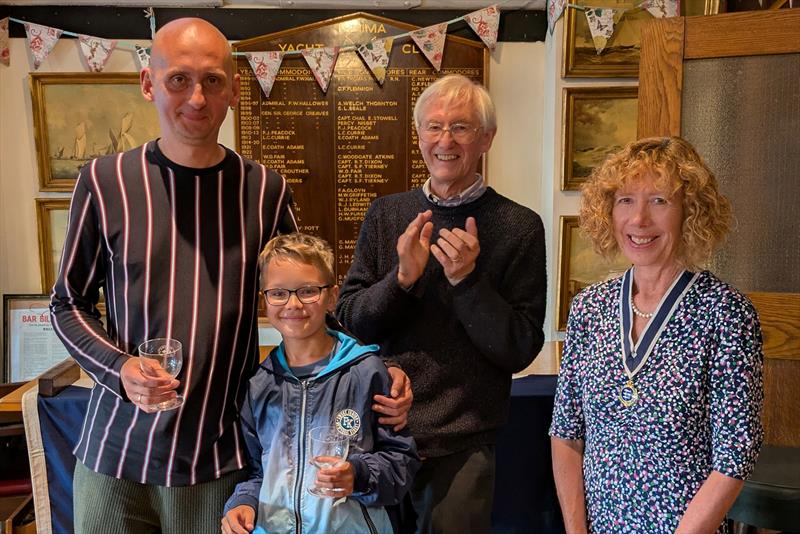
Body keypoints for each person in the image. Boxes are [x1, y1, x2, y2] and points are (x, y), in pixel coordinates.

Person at [50, 18, 411, 533]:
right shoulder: (106, 181)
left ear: (234, 91)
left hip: (219, 458)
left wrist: (377, 371)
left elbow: (304, 300)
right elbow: (67, 303)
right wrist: (119, 369)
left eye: (212, 80)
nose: (196, 97)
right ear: (149, 84)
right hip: (115, 454)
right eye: (178, 79)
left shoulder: (263, 189)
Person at [337, 74, 547, 533]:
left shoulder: (519, 226)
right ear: (418, 137)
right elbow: (352, 322)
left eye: (461, 127)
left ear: (486, 138)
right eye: (433, 127)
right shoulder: (387, 214)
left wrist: (467, 283)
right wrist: (403, 278)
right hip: (379, 437)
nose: (445, 140)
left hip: (463, 441)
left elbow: (520, 348)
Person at [550, 136, 764, 533]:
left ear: (691, 212)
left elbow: (735, 456)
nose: (639, 220)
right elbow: (566, 434)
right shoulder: (588, 309)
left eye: (660, 201)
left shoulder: (726, 314)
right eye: (626, 200)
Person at [221, 233, 420, 534]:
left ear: (331, 296)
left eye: (308, 291)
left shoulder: (367, 373)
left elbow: (401, 462)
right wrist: (243, 503)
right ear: (264, 300)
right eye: (278, 293)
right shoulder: (259, 384)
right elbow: (258, 471)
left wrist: (358, 475)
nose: (293, 303)